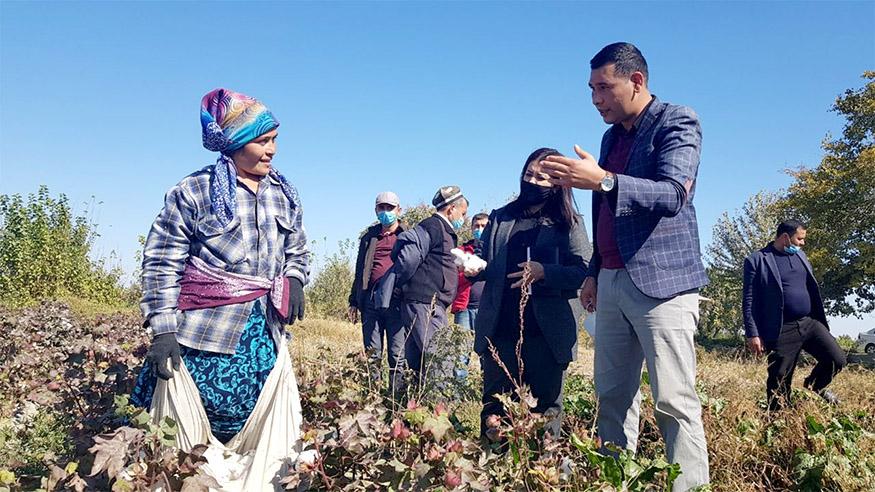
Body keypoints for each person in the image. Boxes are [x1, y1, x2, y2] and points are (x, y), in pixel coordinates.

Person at [540, 42, 710, 490]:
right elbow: (604, 215)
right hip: (612, 281)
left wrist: (606, 180)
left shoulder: (677, 121)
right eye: (591, 89)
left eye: (604, 87)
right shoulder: (610, 138)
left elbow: (674, 194)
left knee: (673, 400)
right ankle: (615, 481)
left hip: (664, 285)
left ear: (636, 81)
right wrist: (595, 270)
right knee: (611, 396)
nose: (595, 99)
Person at [131, 88, 309, 488]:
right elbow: (161, 261)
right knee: (185, 448)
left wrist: (295, 277)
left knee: (264, 446)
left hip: (264, 334)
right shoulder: (194, 192)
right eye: (262, 141)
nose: (272, 151)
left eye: (274, 140)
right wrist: (162, 330)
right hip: (201, 336)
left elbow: (298, 248)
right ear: (234, 143)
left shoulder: (284, 194)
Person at [468, 148, 591, 440]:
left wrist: (545, 272)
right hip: (501, 332)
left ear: (558, 183)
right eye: (528, 174)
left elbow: (584, 271)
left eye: (541, 177)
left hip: (547, 336)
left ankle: (541, 474)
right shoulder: (501, 217)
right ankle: (493, 472)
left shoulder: (568, 222)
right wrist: (474, 266)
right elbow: (486, 259)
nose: (532, 181)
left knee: (547, 413)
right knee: (495, 409)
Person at [743, 220, 846, 409]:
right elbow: (748, 299)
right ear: (785, 237)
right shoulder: (757, 260)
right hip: (782, 327)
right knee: (780, 377)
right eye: (799, 239)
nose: (802, 243)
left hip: (809, 322)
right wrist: (753, 333)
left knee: (836, 359)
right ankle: (778, 419)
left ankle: (814, 385)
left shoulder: (802, 257)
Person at [382, 185, 468, 390]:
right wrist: (402, 285)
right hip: (425, 303)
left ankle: (413, 408)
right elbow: (407, 259)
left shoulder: (442, 230)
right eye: (463, 213)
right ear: (451, 209)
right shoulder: (433, 226)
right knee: (439, 359)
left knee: (419, 361)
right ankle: (439, 411)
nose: (463, 218)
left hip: (425, 303)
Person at [348, 191, 408, 385]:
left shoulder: (407, 236)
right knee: (372, 354)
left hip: (397, 301)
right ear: (375, 210)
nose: (385, 212)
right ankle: (373, 397)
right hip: (370, 301)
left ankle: (395, 399)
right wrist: (354, 301)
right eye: (381, 208)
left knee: (397, 354)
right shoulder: (369, 237)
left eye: (389, 208)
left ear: (399, 210)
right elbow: (360, 270)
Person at [451, 212, 489, 330]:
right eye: (476, 226)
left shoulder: (494, 252)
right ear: (472, 228)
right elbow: (452, 277)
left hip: (487, 308)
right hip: (464, 307)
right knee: (462, 346)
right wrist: (467, 271)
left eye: (483, 226)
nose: (480, 229)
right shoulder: (461, 252)